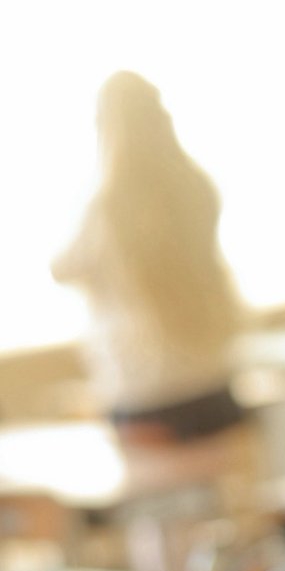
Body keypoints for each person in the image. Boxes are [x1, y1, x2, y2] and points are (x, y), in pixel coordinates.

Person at [51, 70, 246, 444]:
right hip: (213, 381)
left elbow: (61, 269)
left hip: (147, 396)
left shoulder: (107, 205)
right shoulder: (196, 185)